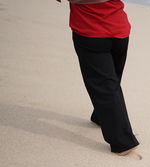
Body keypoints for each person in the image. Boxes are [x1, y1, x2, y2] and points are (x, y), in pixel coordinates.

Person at [56, 0, 140, 157]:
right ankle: (101, 116)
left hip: (94, 32)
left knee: (105, 85)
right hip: (117, 30)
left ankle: (122, 142)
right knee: (110, 82)